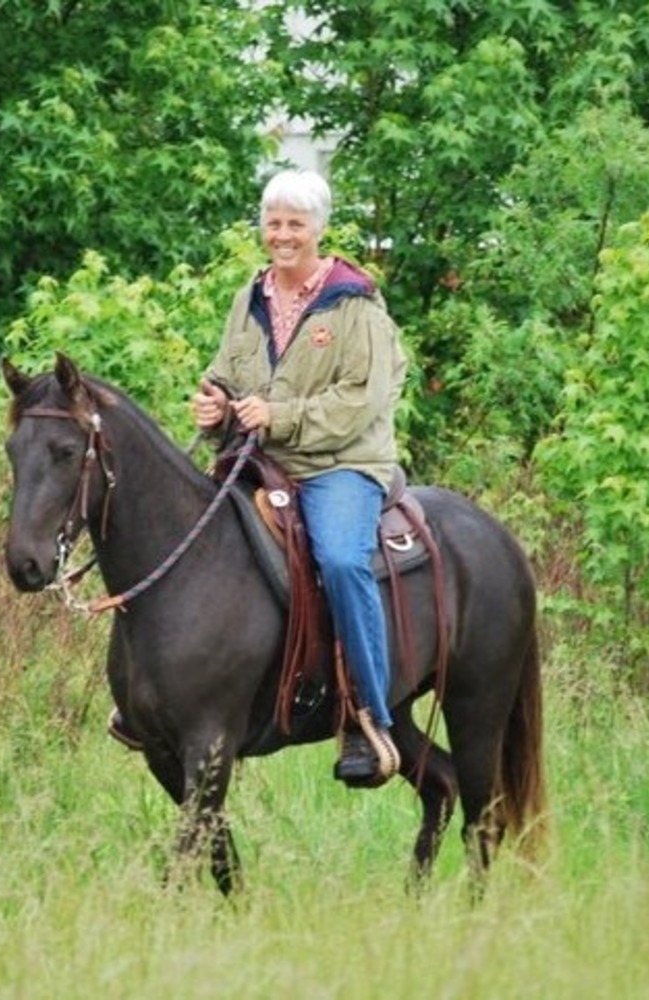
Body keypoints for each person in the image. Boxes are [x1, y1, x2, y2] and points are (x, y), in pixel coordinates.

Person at [193, 168, 408, 786]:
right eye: (274, 223)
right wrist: (216, 405)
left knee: (341, 560)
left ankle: (370, 713)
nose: (283, 235)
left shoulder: (354, 303)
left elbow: (360, 401)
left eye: (295, 223)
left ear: (319, 228)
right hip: (264, 462)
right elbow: (227, 374)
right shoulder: (251, 297)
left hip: (340, 465)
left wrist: (279, 416)